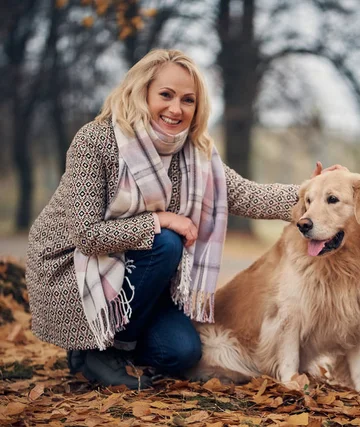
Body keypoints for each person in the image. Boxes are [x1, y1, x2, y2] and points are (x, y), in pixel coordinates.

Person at [26, 49, 315, 390]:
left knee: (182, 353)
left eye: (188, 100)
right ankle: (101, 351)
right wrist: (159, 220)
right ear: (142, 92)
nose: (176, 109)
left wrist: (315, 192)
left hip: (144, 279)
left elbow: (248, 195)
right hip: (75, 270)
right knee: (165, 241)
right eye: (166, 95)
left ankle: (103, 346)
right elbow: (87, 235)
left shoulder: (195, 154)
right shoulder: (97, 141)